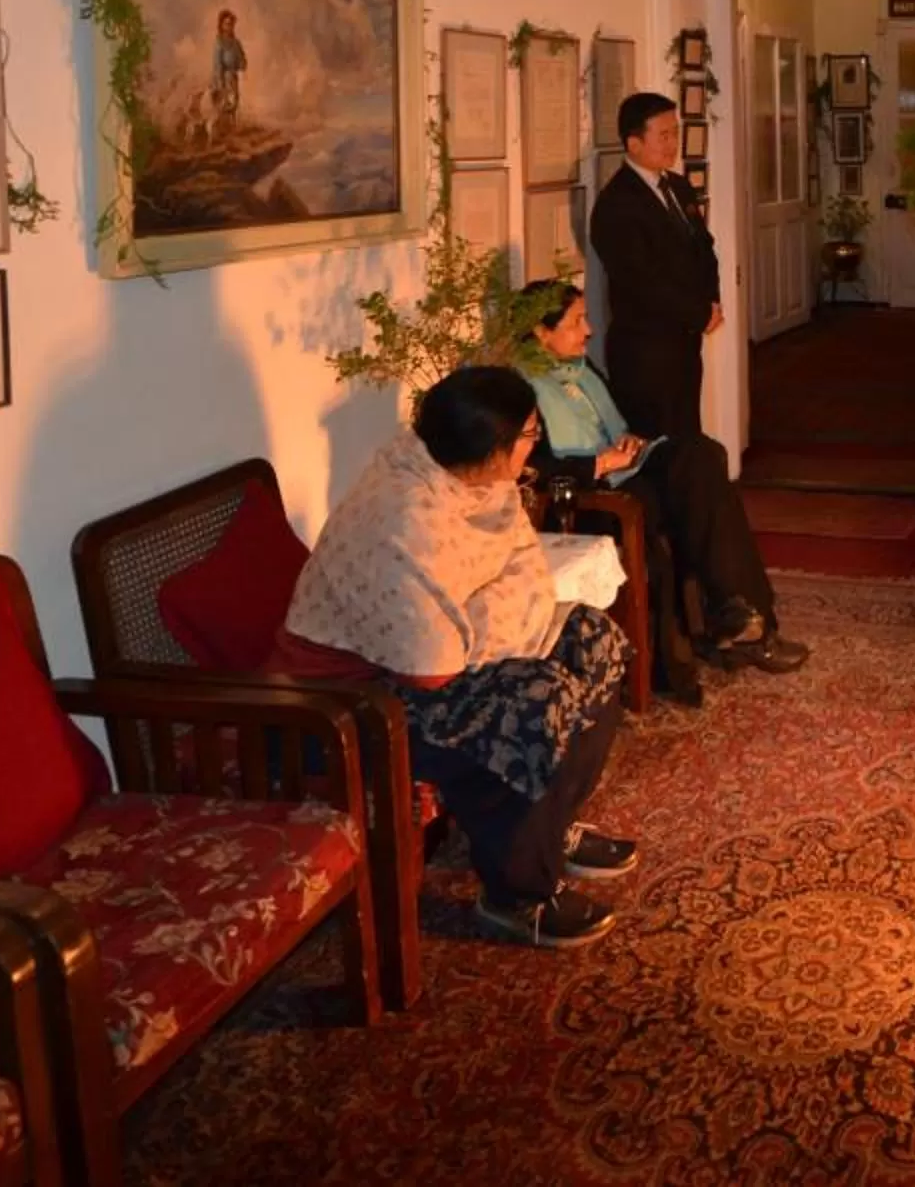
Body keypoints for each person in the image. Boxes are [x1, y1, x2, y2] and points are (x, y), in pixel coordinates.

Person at [271, 366, 636, 948]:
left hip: (430, 658)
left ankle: (549, 830)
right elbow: (432, 666)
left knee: (595, 641)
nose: (534, 444)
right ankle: (516, 896)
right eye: (528, 434)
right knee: (537, 700)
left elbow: (527, 574)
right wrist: (501, 614)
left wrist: (484, 617)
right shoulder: (403, 516)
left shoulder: (475, 479)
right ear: (492, 449)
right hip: (350, 703)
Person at [521, 282, 805, 705]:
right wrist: (601, 463)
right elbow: (534, 467)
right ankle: (741, 619)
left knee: (702, 456)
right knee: (689, 503)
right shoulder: (522, 388)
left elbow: (613, 424)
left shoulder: (581, 370)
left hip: (627, 469)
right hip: (590, 495)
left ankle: (736, 610)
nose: (590, 330)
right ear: (541, 333)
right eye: (577, 321)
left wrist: (630, 444)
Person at [589, 92, 722, 444]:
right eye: (663, 135)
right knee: (657, 443)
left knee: (686, 437)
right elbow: (640, 281)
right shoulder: (617, 203)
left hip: (684, 339)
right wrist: (695, 311)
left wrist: (711, 303)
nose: (673, 143)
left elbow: (704, 249)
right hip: (646, 349)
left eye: (675, 133)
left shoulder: (677, 186)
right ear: (634, 143)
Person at [212, 9, 246, 123]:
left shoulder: (236, 43)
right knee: (223, 105)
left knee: (234, 104)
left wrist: (241, 64)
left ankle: (232, 128)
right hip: (222, 79)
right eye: (227, 24)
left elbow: (242, 60)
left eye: (231, 24)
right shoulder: (219, 43)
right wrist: (220, 85)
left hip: (233, 78)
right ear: (221, 26)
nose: (229, 26)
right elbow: (217, 65)